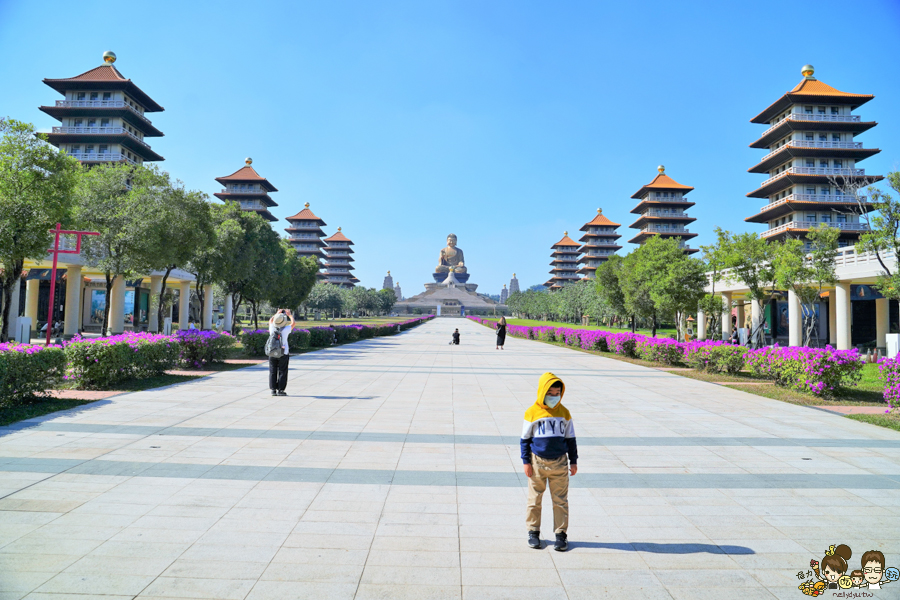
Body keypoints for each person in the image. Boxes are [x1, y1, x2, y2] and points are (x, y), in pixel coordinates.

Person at [520, 373, 577, 552]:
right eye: (550, 392)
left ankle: (561, 535)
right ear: (542, 392)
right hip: (537, 463)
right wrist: (526, 462)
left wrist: (573, 461)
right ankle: (533, 532)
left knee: (560, 500)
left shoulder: (564, 412)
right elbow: (525, 439)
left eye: (557, 392)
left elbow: (571, 439)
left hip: (559, 463)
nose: (554, 396)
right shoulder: (532, 412)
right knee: (534, 500)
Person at [268, 308, 295, 396]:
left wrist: (276, 314)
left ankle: (273, 390)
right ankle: (281, 390)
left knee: (273, 371)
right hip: (283, 353)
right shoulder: (286, 329)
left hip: (272, 353)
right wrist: (289, 315)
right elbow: (293, 323)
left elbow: (270, 321)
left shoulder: (272, 328)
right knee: (283, 371)